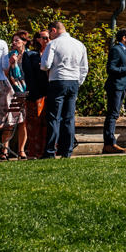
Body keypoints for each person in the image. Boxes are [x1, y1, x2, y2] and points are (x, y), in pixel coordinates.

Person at [40, 19, 89, 158]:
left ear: (53, 30)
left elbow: (45, 65)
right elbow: (84, 68)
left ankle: (50, 151)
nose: (49, 36)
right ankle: (67, 151)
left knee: (54, 117)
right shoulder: (79, 44)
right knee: (69, 118)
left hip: (58, 81)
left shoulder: (53, 44)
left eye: (50, 33)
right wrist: (78, 82)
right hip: (73, 81)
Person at [20, 30, 50, 158]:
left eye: (49, 38)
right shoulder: (30, 55)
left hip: (50, 93)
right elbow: (29, 76)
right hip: (35, 94)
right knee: (34, 124)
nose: (48, 40)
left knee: (47, 124)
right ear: (38, 39)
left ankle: (47, 151)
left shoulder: (52, 53)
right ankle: (33, 152)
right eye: (45, 38)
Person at [104, 27, 126, 154]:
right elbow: (111, 68)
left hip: (122, 86)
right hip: (115, 86)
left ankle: (110, 143)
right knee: (112, 115)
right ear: (124, 38)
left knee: (115, 115)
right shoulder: (116, 49)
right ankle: (109, 143)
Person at [3, 32, 30, 158]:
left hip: (25, 90)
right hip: (11, 89)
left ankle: (21, 150)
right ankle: (4, 150)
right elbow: (4, 73)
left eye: (17, 40)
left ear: (24, 41)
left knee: (22, 121)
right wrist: (10, 63)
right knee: (9, 121)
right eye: (13, 40)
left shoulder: (30, 55)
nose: (14, 43)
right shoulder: (8, 55)